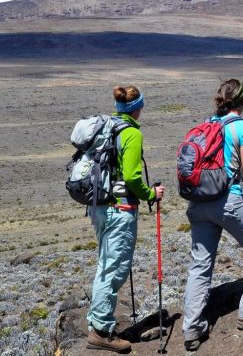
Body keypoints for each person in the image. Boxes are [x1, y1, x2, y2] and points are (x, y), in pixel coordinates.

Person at [182, 79, 243, 351]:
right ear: (242, 101)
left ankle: (191, 329)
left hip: (198, 203)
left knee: (200, 265)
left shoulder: (206, 125)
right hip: (228, 201)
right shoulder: (242, 127)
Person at [86, 85, 165, 353]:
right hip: (120, 210)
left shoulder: (107, 128)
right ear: (137, 108)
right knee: (114, 270)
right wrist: (150, 193)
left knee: (105, 265)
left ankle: (98, 324)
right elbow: (132, 177)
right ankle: (101, 332)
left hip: (99, 207)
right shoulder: (131, 133)